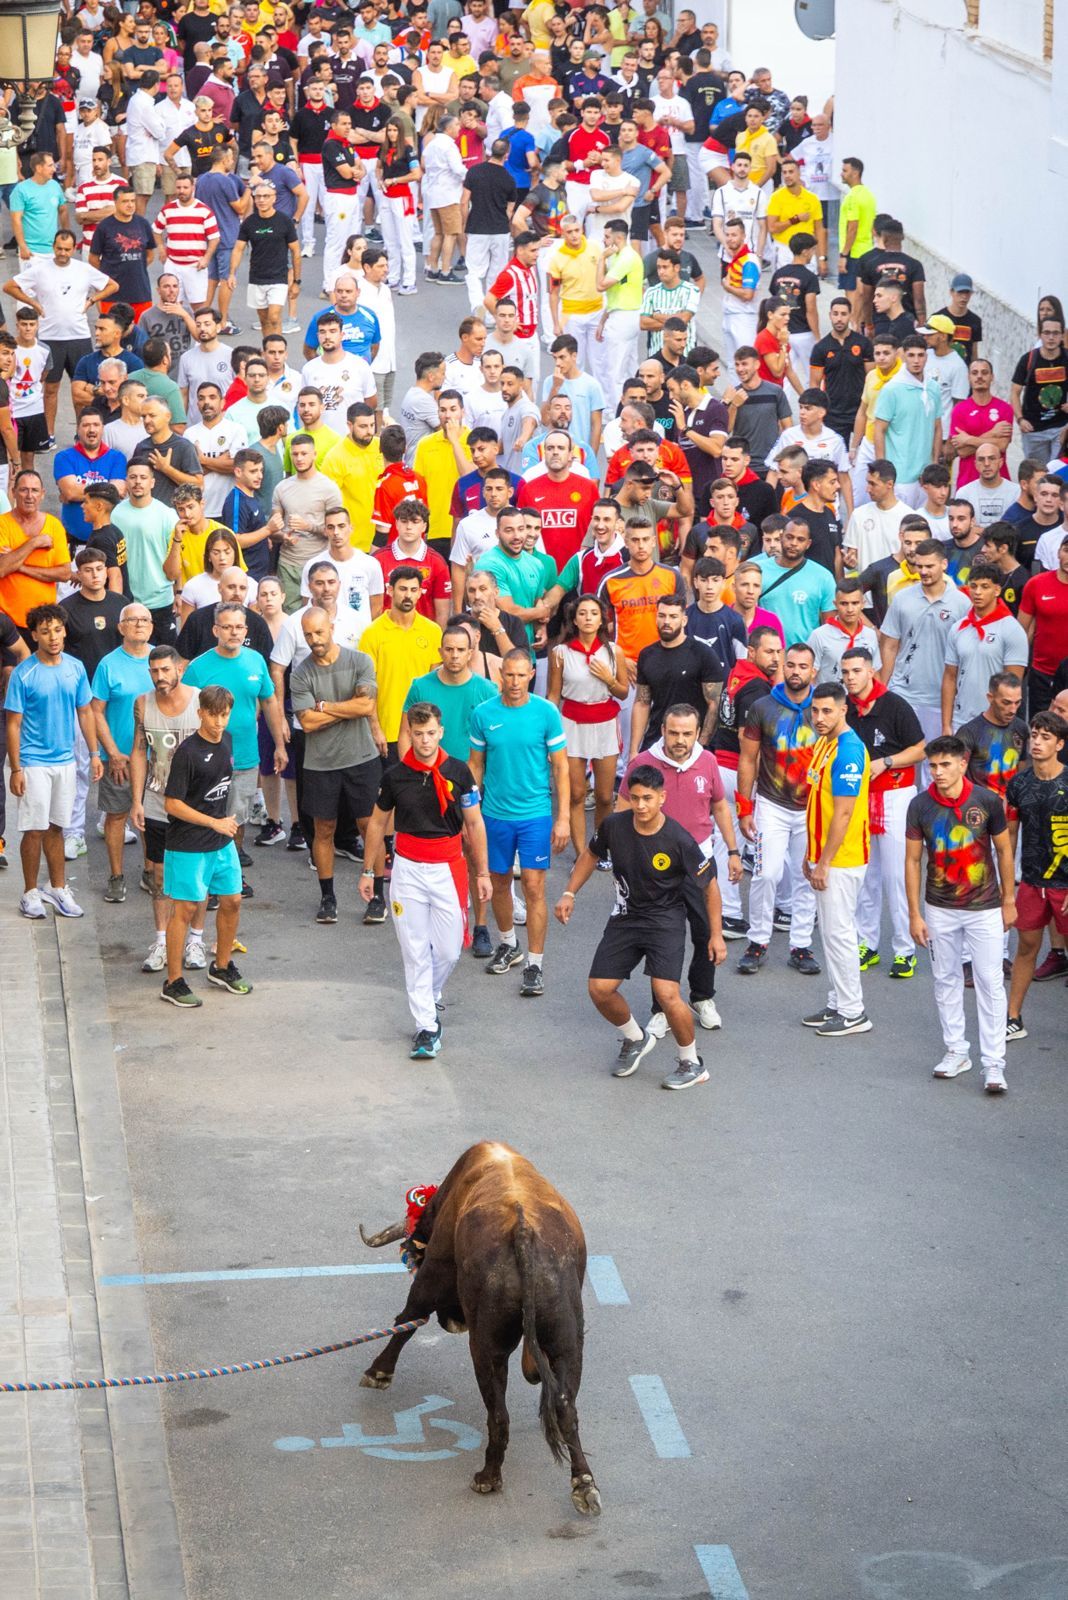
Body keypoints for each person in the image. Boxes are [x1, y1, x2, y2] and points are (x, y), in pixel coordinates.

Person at [555, 762, 723, 1089]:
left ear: (662, 797)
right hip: (626, 919)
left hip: (664, 922)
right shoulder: (615, 826)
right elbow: (591, 855)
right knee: (599, 989)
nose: (641, 805)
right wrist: (568, 891)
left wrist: (715, 934)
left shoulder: (678, 839)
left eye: (648, 798)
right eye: (635, 798)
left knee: (666, 994)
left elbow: (710, 887)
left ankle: (692, 1063)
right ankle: (635, 1038)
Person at [360, 702, 490, 1058]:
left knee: (448, 950)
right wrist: (369, 870)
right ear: (409, 735)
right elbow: (376, 823)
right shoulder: (394, 776)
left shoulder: (459, 772)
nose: (425, 741)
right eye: (418, 734)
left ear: (441, 731)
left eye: (431, 733)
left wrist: (482, 872)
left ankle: (429, 996)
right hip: (407, 870)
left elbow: (475, 823)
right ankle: (426, 1028)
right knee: (414, 951)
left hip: (448, 867)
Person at [619, 703, 739, 1036]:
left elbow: (718, 806)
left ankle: (702, 997)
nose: (680, 740)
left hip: (698, 862)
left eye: (687, 733)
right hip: (655, 868)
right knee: (661, 938)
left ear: (698, 733)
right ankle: (661, 1008)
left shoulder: (708, 762)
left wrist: (732, 851)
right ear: (663, 731)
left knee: (705, 932)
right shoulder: (643, 763)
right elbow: (623, 810)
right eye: (674, 733)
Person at [904, 734, 1016, 1092]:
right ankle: (957, 1051)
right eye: (932, 766)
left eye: (945, 765)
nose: (937, 772)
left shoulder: (986, 801)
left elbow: (1004, 852)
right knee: (945, 979)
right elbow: (911, 860)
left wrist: (1009, 900)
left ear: (963, 764)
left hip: (984, 908)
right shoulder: (919, 806)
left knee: (990, 983)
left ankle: (994, 1065)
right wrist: (914, 914)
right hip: (939, 909)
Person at [467, 648, 568, 995]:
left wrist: (563, 818)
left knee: (534, 887)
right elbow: (475, 765)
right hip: (494, 815)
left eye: (521, 675)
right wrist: (471, 812)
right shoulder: (483, 714)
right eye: (509, 675)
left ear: (530, 676)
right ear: (501, 676)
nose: (514, 682)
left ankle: (535, 965)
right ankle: (509, 944)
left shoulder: (546, 713)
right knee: (497, 884)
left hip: (535, 816)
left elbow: (560, 767)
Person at [5, 604, 101, 920]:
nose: (53, 637)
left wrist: (94, 753)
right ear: (34, 636)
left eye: (57, 630)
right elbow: (13, 724)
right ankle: (30, 893)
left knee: (57, 827)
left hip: (66, 761)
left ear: (64, 630)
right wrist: (16, 768)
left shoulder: (74, 668)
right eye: (45, 632)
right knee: (34, 829)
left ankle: (57, 888)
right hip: (33, 762)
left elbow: (86, 712)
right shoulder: (24, 673)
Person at [290, 607, 384, 927]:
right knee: (323, 830)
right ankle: (327, 897)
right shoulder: (301, 673)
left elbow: (367, 705)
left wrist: (326, 707)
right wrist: (347, 710)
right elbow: (308, 722)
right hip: (320, 764)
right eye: (308, 635)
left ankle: (378, 896)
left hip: (362, 758)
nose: (314, 640)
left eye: (319, 632)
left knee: (368, 826)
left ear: (332, 626)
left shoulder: (360, 661)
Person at [160, 685, 252, 1006]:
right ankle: (173, 982)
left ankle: (222, 966)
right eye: (212, 715)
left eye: (224, 715)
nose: (218, 722)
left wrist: (224, 822)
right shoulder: (187, 753)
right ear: (200, 713)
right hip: (188, 844)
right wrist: (214, 822)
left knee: (233, 900)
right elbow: (172, 803)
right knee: (184, 910)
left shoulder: (227, 740)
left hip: (220, 841)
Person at [182, 600, 287, 877]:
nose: (234, 632)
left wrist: (278, 745)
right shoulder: (198, 668)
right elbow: (184, 713)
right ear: (216, 629)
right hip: (206, 760)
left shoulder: (256, 661)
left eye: (239, 627)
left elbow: (270, 703)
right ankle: (207, 876)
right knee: (208, 818)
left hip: (245, 757)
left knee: (237, 819)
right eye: (227, 627)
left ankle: (232, 875)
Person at [840, 646, 927, 979]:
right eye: (845, 672)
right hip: (859, 798)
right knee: (866, 876)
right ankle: (867, 943)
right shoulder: (846, 708)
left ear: (871, 671)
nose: (850, 678)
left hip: (894, 796)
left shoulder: (894, 705)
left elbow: (921, 749)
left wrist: (886, 761)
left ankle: (905, 950)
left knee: (895, 875)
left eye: (856, 671)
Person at [735, 644, 820, 977]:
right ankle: (757, 941)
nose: (796, 671)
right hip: (771, 804)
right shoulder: (762, 707)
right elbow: (747, 758)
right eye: (791, 665)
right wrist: (745, 806)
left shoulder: (825, 707)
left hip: (811, 808)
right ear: (782, 668)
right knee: (765, 873)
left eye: (803, 666)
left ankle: (801, 945)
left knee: (805, 878)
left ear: (814, 671)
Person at [128, 645, 207, 974]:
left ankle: (196, 940)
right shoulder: (143, 704)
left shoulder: (201, 701)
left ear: (179, 670)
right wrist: (136, 801)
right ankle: (161, 941)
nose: (160, 677)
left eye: (165, 670)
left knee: (196, 879)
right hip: (157, 805)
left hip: (194, 808)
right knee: (159, 877)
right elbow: (138, 750)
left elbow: (216, 747)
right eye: (154, 671)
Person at [800, 680, 872, 1036]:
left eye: (827, 710)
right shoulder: (825, 744)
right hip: (825, 856)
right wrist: (810, 854)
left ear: (845, 710)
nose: (819, 717)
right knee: (830, 934)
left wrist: (824, 861)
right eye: (815, 710)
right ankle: (837, 1003)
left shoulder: (848, 751)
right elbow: (818, 804)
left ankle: (853, 1011)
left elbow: (843, 814)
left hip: (842, 860)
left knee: (839, 933)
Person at [546, 593, 628, 859]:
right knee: (577, 794)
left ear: (601, 618)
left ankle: (600, 847)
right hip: (571, 724)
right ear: (574, 619)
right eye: (582, 613)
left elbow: (624, 692)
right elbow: (553, 696)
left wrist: (609, 678)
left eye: (593, 613)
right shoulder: (560, 653)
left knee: (605, 796)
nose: (588, 618)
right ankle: (583, 854)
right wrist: (549, 734)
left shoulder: (614, 651)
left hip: (604, 723)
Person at [1004, 713, 1068, 1042]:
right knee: (1026, 948)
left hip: (1065, 885)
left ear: (1060, 744)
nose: (1038, 742)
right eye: (1035, 735)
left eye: (1046, 737)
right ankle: (1013, 1018)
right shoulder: (1019, 784)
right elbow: (1008, 839)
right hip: (1031, 882)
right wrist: (1007, 890)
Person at [878, 539, 971, 749]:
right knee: (903, 755)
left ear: (944, 564)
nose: (924, 571)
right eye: (919, 566)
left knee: (935, 760)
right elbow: (889, 645)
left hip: (940, 699)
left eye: (930, 566)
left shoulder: (962, 603)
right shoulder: (902, 599)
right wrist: (883, 688)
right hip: (903, 692)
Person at [90, 603, 155, 904]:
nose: (140, 624)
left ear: (152, 626)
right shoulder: (108, 665)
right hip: (120, 759)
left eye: (145, 619)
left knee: (152, 817)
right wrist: (112, 752)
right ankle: (116, 877)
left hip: (156, 757)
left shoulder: (161, 659)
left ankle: (150, 871)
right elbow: (96, 711)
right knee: (116, 816)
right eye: (133, 620)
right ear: (121, 627)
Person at [941, 565, 1027, 733]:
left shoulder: (1012, 629)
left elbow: (1013, 686)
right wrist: (946, 725)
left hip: (996, 724)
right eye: (973, 586)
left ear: (997, 590)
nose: (977, 592)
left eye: (984, 587)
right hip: (961, 720)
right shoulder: (958, 627)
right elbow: (950, 677)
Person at [1019, 534, 1068, 717]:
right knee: (1040, 728)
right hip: (1042, 673)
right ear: (1058, 553)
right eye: (1066, 551)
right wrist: (1020, 668)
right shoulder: (1036, 584)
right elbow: (1023, 630)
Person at [1011, 314, 1067, 466]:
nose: (1051, 337)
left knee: (1058, 474)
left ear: (1062, 335)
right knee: (1038, 476)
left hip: (1061, 428)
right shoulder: (1027, 360)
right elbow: (1015, 392)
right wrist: (1020, 419)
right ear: (1039, 334)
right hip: (1033, 430)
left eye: (1055, 333)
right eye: (1046, 332)